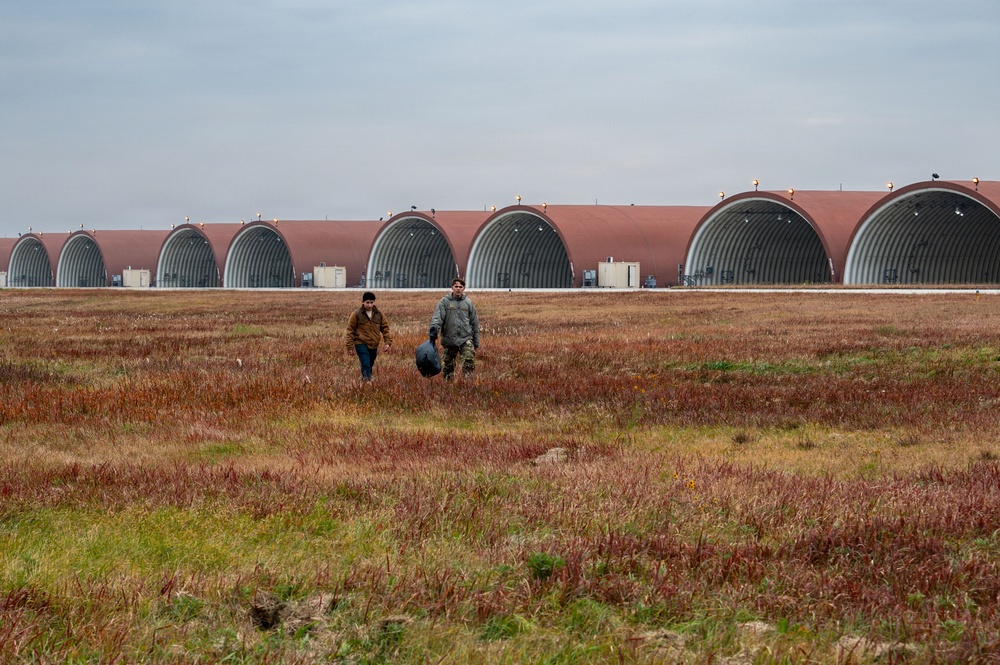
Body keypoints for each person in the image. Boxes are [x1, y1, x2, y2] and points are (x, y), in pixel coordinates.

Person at [428, 278, 480, 381]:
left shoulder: (468, 303)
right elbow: (438, 317)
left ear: (464, 288)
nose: (458, 289)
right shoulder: (444, 302)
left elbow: (474, 322)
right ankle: (448, 384)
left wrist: (476, 341)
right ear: (452, 287)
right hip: (450, 338)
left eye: (460, 287)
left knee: (469, 361)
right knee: (448, 365)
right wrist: (434, 329)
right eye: (456, 286)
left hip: (466, 338)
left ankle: (468, 384)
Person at [345, 291, 392, 381]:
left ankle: (367, 378)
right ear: (362, 302)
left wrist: (388, 343)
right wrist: (350, 346)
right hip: (361, 343)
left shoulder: (379, 314)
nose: (370, 305)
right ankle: (366, 381)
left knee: (370, 363)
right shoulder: (356, 314)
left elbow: (385, 329)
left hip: (374, 344)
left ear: (374, 302)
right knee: (365, 363)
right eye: (367, 302)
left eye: (371, 302)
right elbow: (350, 330)